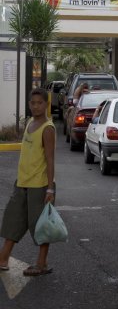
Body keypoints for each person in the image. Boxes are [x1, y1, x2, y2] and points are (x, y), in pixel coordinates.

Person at [0, 88, 56, 276]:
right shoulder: (31, 122)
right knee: (13, 220)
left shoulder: (47, 128)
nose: (36, 106)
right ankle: (3, 259)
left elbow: (50, 159)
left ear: (46, 104)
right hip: (23, 182)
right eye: (33, 103)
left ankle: (42, 263)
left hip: (39, 186)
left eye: (40, 103)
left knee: (39, 226)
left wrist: (50, 189)